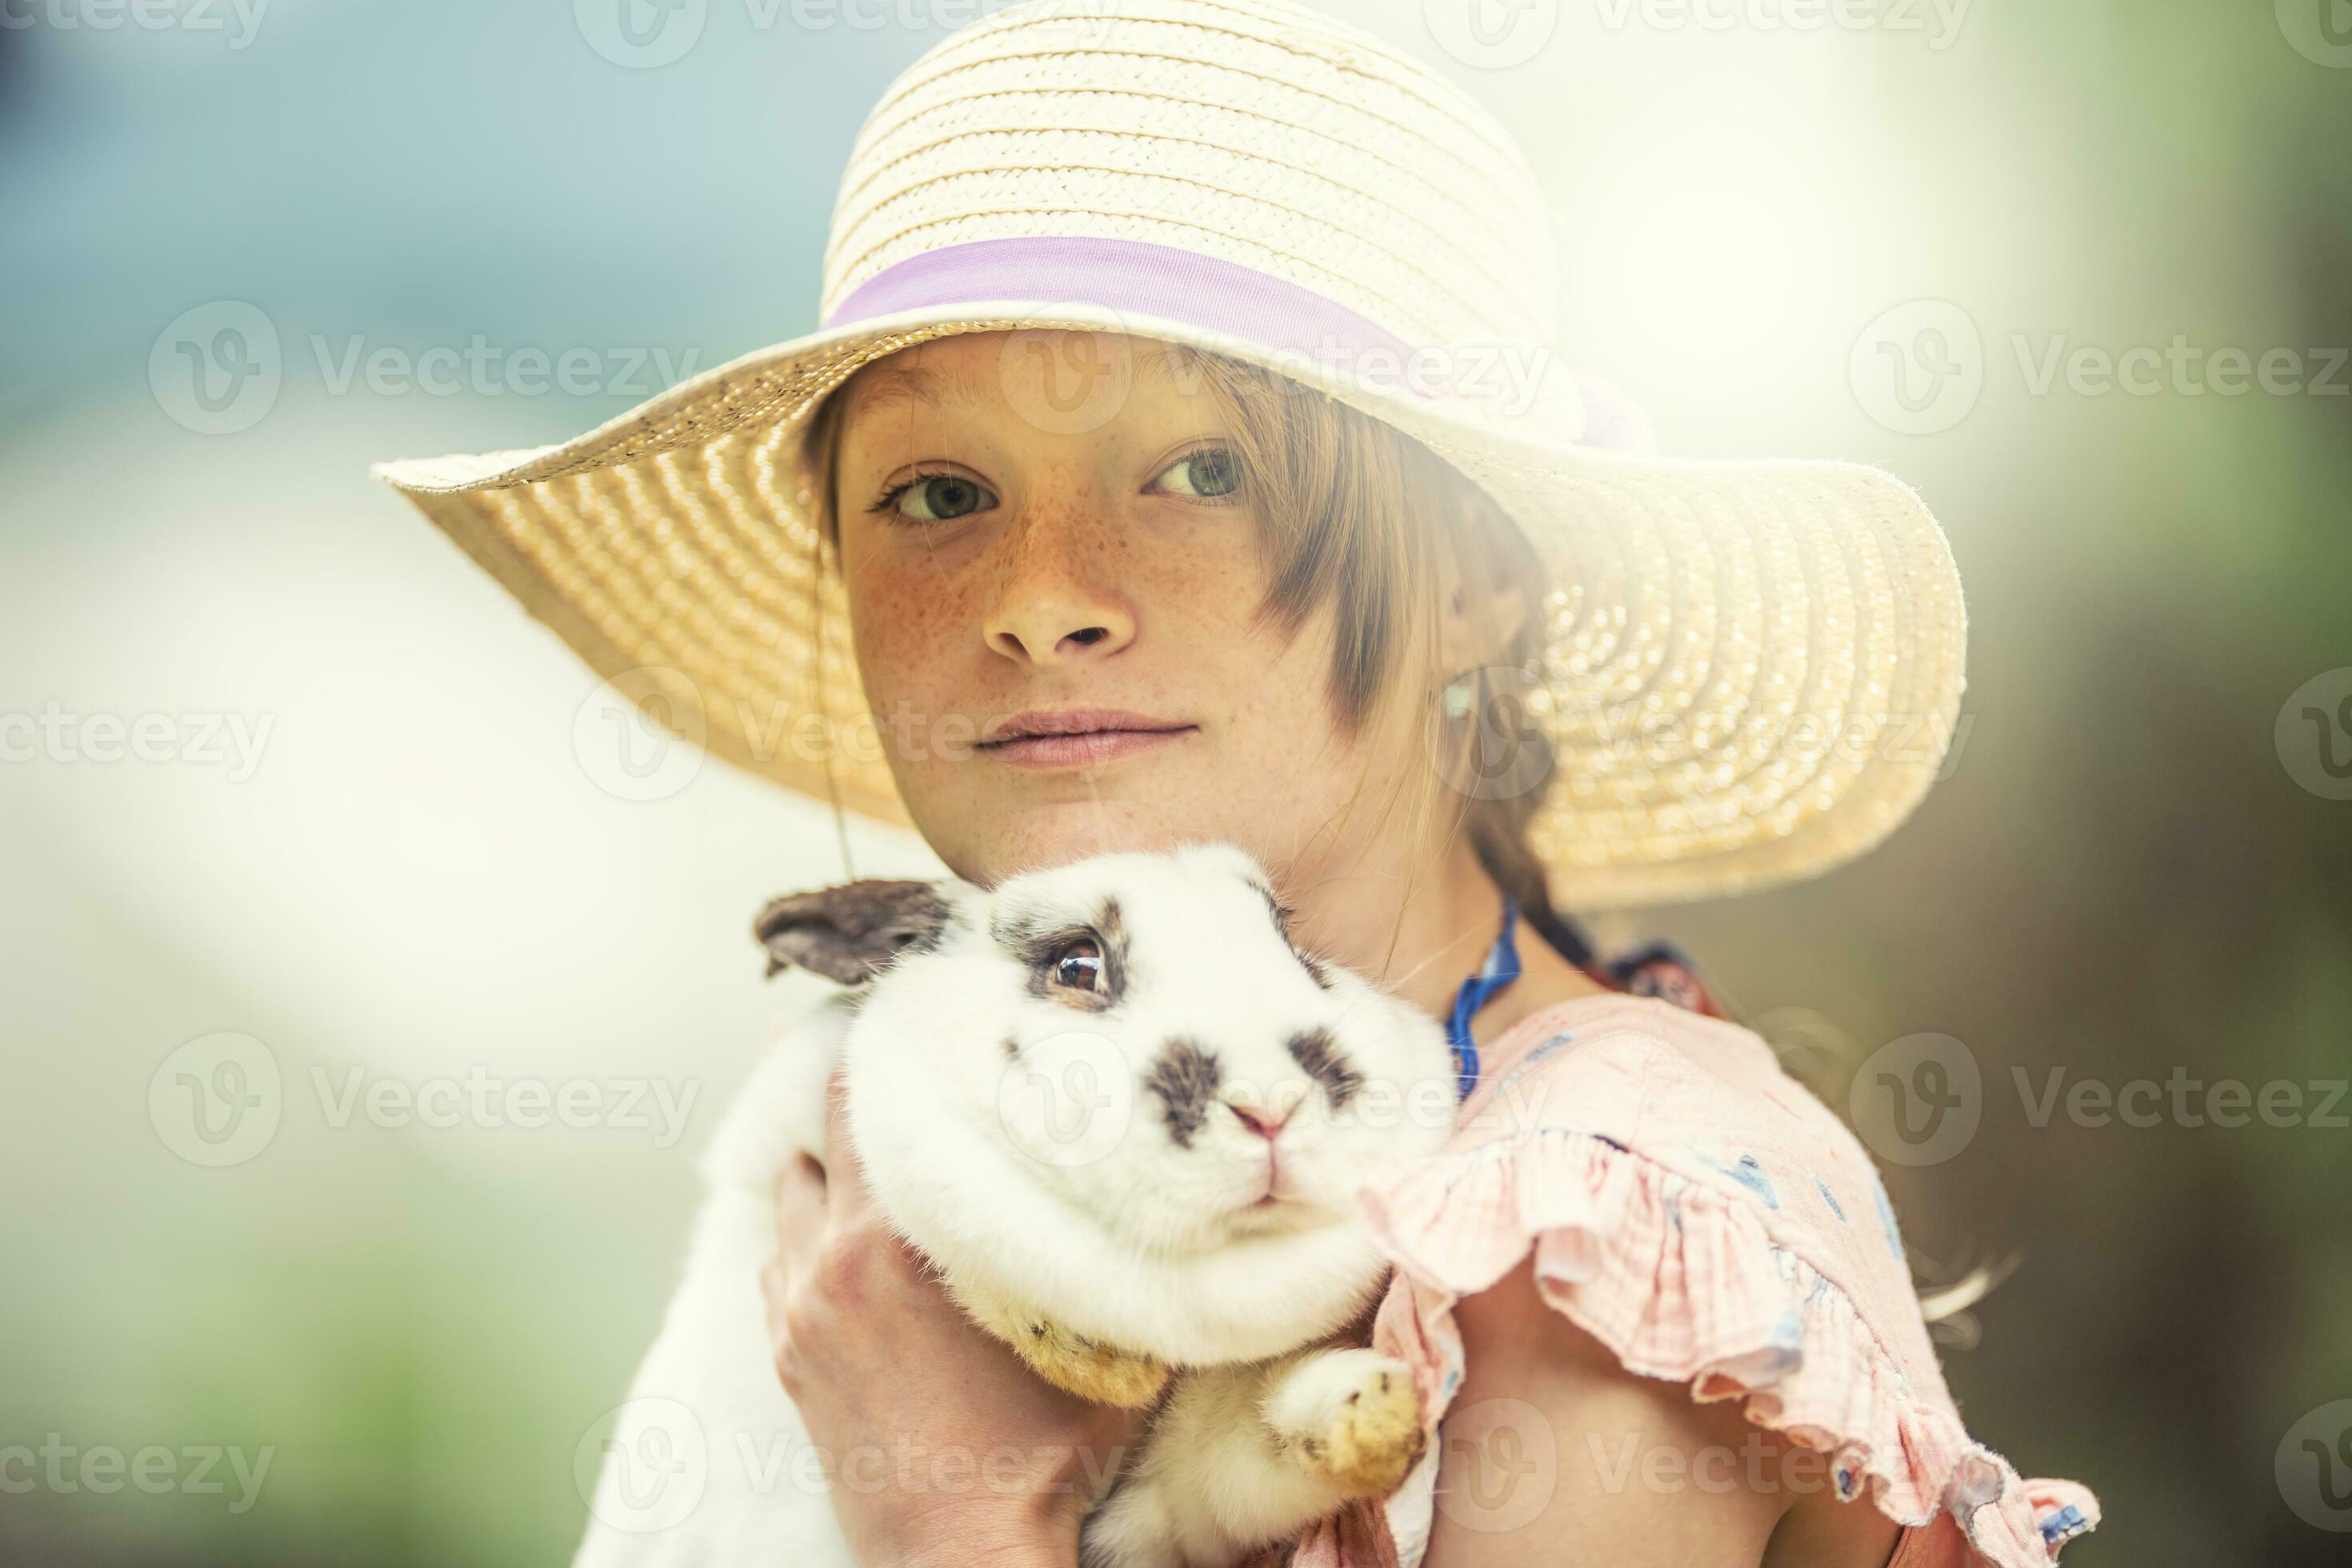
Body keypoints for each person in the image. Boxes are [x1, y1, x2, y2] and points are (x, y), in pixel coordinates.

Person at [375, 2, 2099, 1563]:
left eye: (1201, 466)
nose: (1044, 596)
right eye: (937, 494)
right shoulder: (932, 1173)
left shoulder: (1594, 1229)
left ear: (1477, 580)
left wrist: (957, 1517)